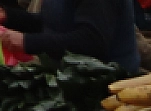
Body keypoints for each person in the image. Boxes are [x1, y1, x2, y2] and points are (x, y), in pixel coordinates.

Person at [0, 0, 143, 72]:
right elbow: (54, 24)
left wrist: (27, 42)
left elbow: (92, 41)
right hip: (69, 79)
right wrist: (9, 17)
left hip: (104, 88)